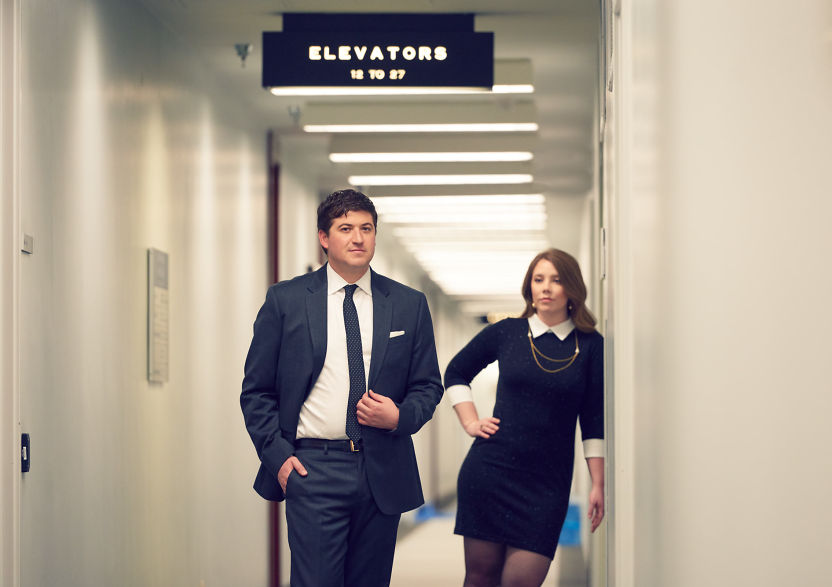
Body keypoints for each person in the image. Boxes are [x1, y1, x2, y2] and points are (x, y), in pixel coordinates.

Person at [240, 188, 444, 587]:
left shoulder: (408, 304)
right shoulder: (287, 300)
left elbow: (428, 385)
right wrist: (280, 458)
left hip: (382, 467)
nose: (358, 238)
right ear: (323, 237)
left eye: (366, 228)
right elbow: (257, 391)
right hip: (313, 466)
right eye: (345, 228)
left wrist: (401, 416)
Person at [445, 248, 605, 587]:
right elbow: (456, 372)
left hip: (547, 484)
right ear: (529, 287)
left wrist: (598, 483)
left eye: (556, 280)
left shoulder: (590, 345)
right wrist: (470, 421)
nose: (545, 288)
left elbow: (593, 418)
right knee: (480, 578)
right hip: (490, 472)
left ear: (571, 289)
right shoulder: (507, 333)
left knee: (522, 581)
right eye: (538, 279)